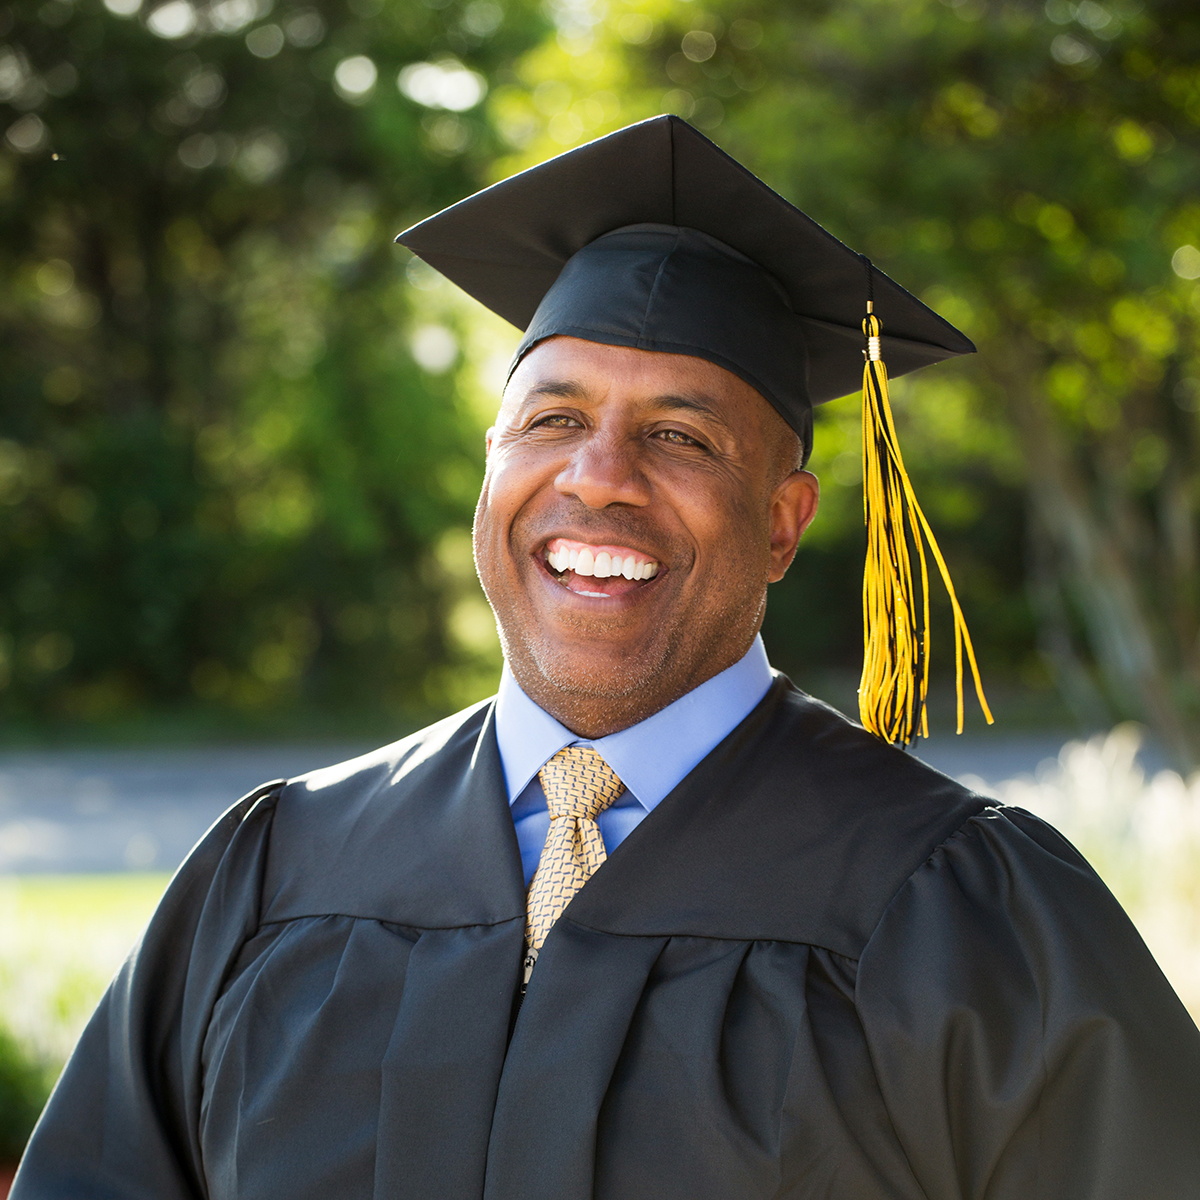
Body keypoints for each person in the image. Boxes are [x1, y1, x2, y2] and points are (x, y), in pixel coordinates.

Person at [13, 116, 1200, 1200]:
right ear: (491, 469)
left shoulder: (962, 910)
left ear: (784, 522)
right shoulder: (274, 876)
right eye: (554, 420)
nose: (599, 478)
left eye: (680, 436)